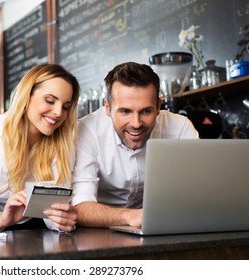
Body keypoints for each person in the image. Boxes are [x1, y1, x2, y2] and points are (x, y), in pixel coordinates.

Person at [0, 64, 80, 233]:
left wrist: (61, 221)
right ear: (26, 96)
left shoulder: (64, 142)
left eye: (65, 107)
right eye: (50, 100)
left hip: (38, 233)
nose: (58, 113)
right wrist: (2, 220)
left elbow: (52, 214)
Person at [71, 61, 199, 228]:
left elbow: (196, 193)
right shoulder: (87, 131)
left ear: (158, 106)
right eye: (125, 111)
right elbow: (79, 207)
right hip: (98, 229)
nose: (136, 123)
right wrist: (129, 216)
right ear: (108, 108)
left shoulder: (180, 128)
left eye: (146, 111)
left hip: (160, 224)